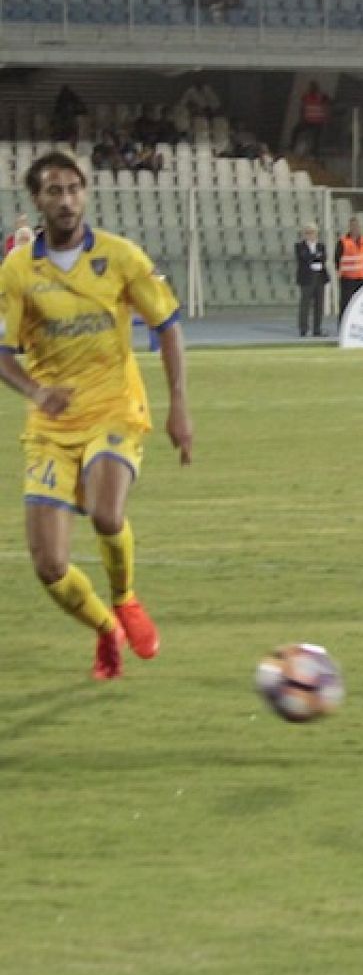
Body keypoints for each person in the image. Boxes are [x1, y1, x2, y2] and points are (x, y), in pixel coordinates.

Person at [0, 151, 191, 680]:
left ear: (85, 193)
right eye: (54, 191)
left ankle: (125, 598)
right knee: (49, 565)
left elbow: (168, 325)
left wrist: (178, 404)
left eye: (73, 189)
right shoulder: (18, 270)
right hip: (51, 427)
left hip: (114, 408)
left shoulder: (120, 256)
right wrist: (36, 392)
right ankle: (106, 628)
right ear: (37, 200)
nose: (66, 200)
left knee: (108, 514)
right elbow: (2, 353)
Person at [294, 221, 329, 337]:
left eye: (313, 232)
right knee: (305, 304)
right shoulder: (299, 246)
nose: (311, 235)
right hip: (306, 277)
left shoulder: (321, 246)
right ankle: (303, 328)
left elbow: (323, 258)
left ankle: (317, 329)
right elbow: (304, 258)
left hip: (320, 277)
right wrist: (315, 257)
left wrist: (314, 258)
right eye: (308, 232)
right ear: (305, 234)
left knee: (319, 304)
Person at [334, 215, 363, 324]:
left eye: (356, 226)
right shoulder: (343, 241)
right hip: (348, 278)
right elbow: (337, 258)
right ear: (349, 227)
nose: (355, 228)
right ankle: (343, 326)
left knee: (361, 304)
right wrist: (340, 271)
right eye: (353, 226)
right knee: (346, 304)